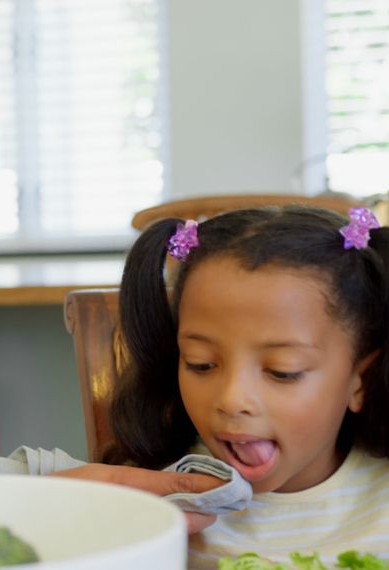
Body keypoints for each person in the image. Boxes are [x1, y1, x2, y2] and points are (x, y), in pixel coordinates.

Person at [106, 206, 389, 567]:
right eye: (201, 363)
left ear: (359, 380)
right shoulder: (155, 496)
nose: (232, 399)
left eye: (282, 371)